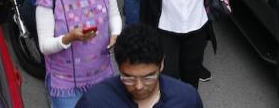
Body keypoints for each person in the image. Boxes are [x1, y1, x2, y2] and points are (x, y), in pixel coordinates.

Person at [36, 0, 121, 108]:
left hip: (103, 75)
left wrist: (115, 34)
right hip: (66, 85)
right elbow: (45, 46)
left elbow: (115, 16)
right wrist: (69, 38)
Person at [76, 23, 204, 108]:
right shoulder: (94, 102)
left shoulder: (187, 98)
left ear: (161, 64)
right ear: (119, 68)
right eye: (128, 77)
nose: (138, 86)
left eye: (148, 77)